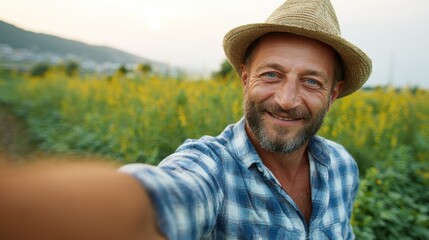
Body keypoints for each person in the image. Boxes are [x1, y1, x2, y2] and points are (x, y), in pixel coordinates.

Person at [0, 0, 371, 239]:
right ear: (245, 78)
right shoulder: (211, 168)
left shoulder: (341, 166)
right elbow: (155, 204)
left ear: (333, 93)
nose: (287, 100)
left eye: (311, 82)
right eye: (271, 75)